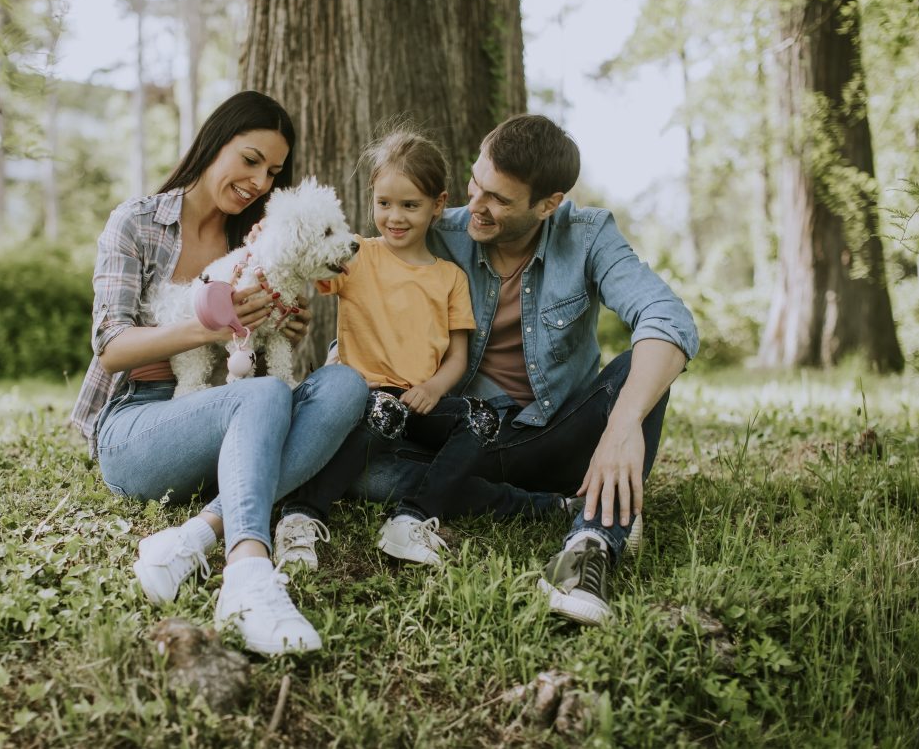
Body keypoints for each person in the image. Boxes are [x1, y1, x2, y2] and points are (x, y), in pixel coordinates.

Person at [352, 114, 699, 626]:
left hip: (558, 438)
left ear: (548, 204)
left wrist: (622, 428)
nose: (476, 205)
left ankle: (590, 544)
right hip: (463, 439)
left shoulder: (587, 234)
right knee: (362, 470)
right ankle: (540, 505)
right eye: (476, 182)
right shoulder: (440, 231)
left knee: (639, 372)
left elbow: (668, 318)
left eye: (498, 199)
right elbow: (364, 283)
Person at [69, 91, 369, 655]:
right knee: (261, 397)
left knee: (346, 386)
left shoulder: (258, 240)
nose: (258, 181)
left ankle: (195, 535)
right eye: (250, 159)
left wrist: (288, 327)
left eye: (273, 171)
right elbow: (110, 347)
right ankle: (248, 576)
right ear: (214, 142)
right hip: (140, 420)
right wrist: (212, 325)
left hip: (236, 409)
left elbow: (267, 355)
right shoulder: (137, 222)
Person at [271, 128, 503, 569]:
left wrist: (435, 389)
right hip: (363, 399)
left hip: (420, 401)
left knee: (483, 417)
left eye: (410, 205)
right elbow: (303, 268)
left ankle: (410, 520)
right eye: (384, 204)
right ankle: (300, 515)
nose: (394, 217)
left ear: (438, 204)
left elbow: (458, 356)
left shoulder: (450, 278)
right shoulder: (356, 254)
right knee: (384, 409)